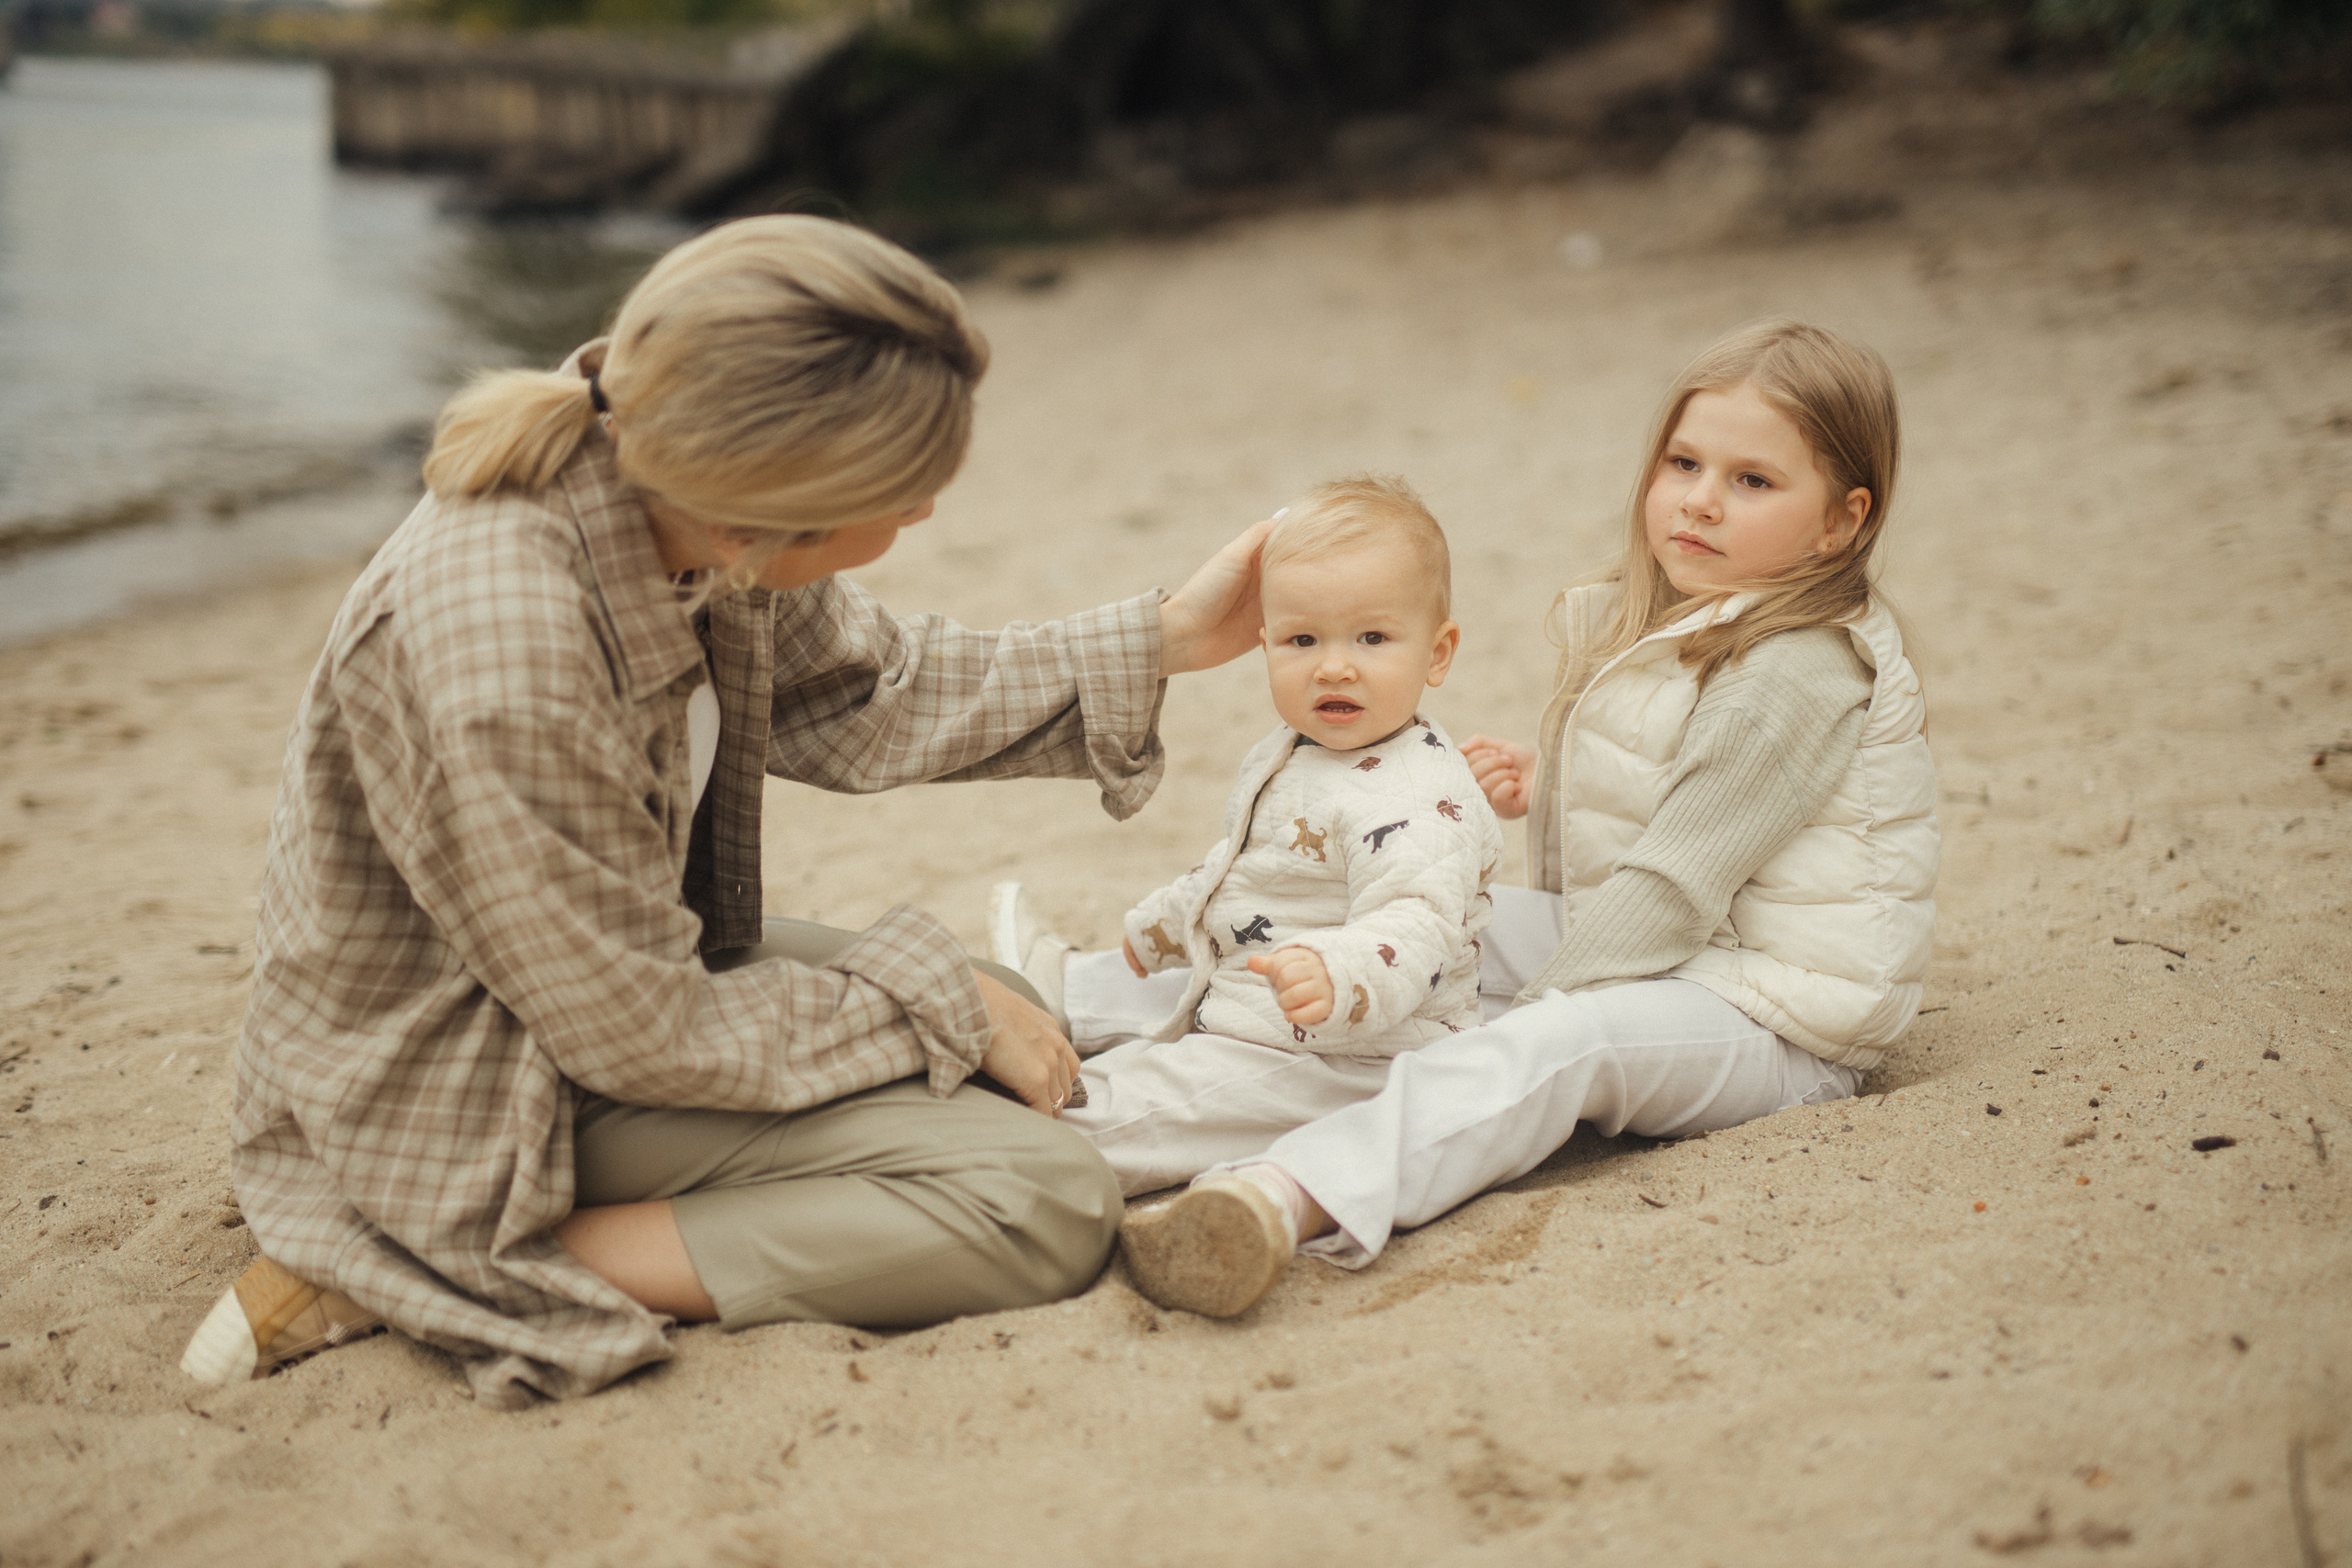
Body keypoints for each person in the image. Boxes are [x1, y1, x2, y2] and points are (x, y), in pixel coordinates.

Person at [176, 215, 1271, 1406]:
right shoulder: (510, 647)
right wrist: (935, 1002)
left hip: (597, 993)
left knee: (1020, 1024)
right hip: (471, 1068)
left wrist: (1170, 639)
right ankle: (410, 1255)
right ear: (767, 511)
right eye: (906, 495)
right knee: (1041, 1198)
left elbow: (874, 694)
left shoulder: (672, 493)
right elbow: (645, 1035)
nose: (923, 521)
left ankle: (638, 1205)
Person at [1113, 319, 1939, 1318]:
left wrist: (1536, 1007)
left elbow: (1674, 880)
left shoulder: (1797, 668)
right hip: (1691, 944)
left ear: (1840, 523)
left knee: (1562, 1041)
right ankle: (1072, 1002)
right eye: (1683, 463)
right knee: (1408, 909)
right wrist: (1547, 780)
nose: (1699, 501)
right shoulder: (1700, 614)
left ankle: (1278, 1199)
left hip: (1778, 1016)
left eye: (1752, 482)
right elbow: (1693, 796)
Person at [991, 478, 1503, 1199]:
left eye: (1373, 637)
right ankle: (1070, 1008)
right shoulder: (1297, 748)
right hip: (1265, 1007)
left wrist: (1339, 972)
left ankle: (1014, 1153)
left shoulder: (1416, 795)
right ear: (1265, 645)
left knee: (1155, 1101)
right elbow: (1248, 871)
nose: (1333, 664)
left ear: (1438, 653)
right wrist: (1169, 923)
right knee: (1174, 1033)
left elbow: (1415, 925)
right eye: (1302, 639)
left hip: (1351, 1054)